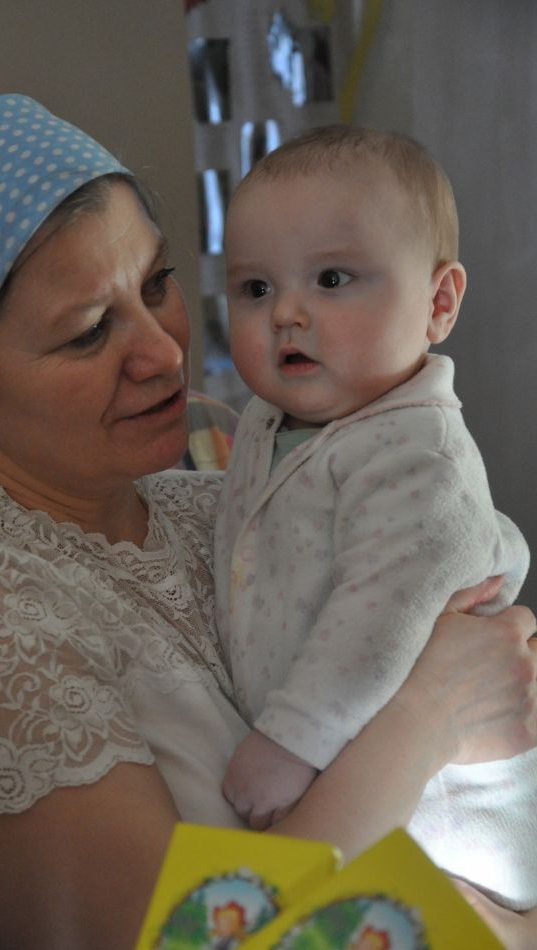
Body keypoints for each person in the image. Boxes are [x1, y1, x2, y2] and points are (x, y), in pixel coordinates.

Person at [0, 96, 535, 950]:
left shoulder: (210, 504)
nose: (162, 353)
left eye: (158, 284)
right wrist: (434, 715)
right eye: (88, 331)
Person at [216, 124, 537, 910]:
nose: (286, 313)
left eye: (332, 279)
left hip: (455, 812)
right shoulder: (265, 423)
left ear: (438, 303)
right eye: (255, 289)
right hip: (356, 786)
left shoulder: (416, 452)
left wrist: (290, 742)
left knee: (441, 933)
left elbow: (380, 615)